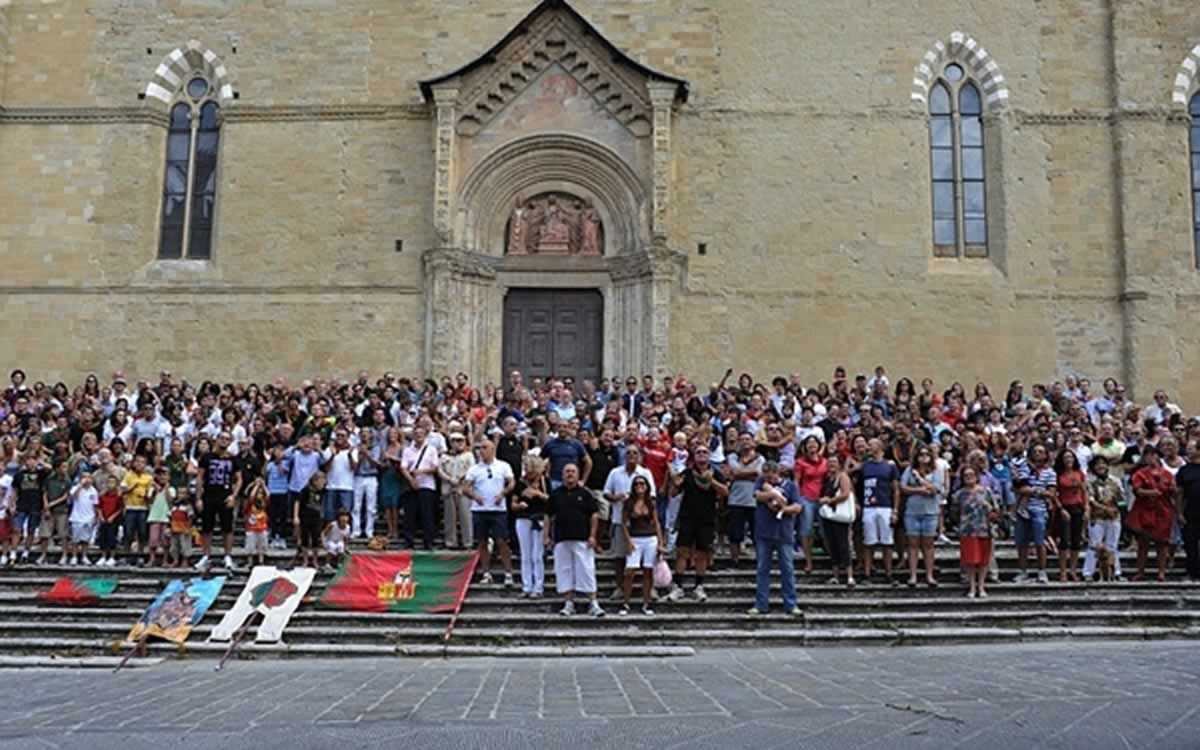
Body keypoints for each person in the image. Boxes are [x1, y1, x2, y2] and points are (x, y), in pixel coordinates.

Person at [666, 445, 728, 602]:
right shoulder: (687, 473)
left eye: (704, 452)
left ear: (709, 456)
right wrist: (674, 482)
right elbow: (673, 493)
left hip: (706, 518)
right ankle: (678, 586)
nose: (701, 455)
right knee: (682, 551)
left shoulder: (716, 473)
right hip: (687, 517)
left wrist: (710, 481)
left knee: (702, 553)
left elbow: (725, 492)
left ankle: (698, 586)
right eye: (698, 452)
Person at [544, 463, 604, 617]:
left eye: (573, 471)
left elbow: (594, 515)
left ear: (578, 475)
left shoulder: (585, 494)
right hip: (561, 539)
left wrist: (592, 535)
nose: (570, 474)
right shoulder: (556, 494)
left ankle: (593, 603)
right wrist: (546, 536)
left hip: (582, 539)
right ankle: (569, 603)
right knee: (564, 571)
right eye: (567, 472)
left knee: (586, 570)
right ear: (562, 475)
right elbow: (548, 516)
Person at [601, 443, 656, 597]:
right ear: (624, 456)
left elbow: (652, 496)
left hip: (643, 523)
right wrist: (616, 497)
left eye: (634, 453)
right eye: (628, 453)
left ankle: (649, 588)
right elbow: (606, 493)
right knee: (620, 556)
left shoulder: (645, 473)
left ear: (639, 456)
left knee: (647, 560)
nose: (631, 456)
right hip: (620, 520)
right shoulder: (615, 473)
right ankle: (620, 587)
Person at [748, 461, 802, 615]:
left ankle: (791, 604)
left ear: (777, 472)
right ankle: (761, 604)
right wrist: (772, 494)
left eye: (770, 473)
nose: (768, 476)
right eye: (765, 473)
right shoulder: (760, 483)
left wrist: (784, 509)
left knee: (787, 569)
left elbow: (797, 506)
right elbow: (758, 496)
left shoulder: (790, 486)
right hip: (763, 533)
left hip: (784, 533)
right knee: (762, 569)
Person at [463, 438, 515, 587]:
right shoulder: (474, 469)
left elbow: (511, 482)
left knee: (502, 541)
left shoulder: (503, 466)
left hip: (498, 510)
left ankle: (508, 573)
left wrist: (503, 493)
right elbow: (465, 488)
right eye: (480, 448)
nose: (481, 451)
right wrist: (474, 496)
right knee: (482, 542)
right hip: (479, 510)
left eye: (485, 447)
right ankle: (486, 573)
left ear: (493, 450)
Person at [195, 432, 243, 572]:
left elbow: (239, 479)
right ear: (216, 440)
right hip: (209, 495)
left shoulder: (234, 459)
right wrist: (198, 498)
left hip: (225, 495)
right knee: (206, 527)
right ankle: (206, 555)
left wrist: (234, 496)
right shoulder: (207, 457)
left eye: (227, 439)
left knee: (227, 527)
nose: (224, 441)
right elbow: (200, 478)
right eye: (222, 438)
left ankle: (227, 556)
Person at [1128, 445, 1176, 582]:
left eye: (1153, 455)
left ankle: (1161, 572)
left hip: (1163, 510)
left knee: (1162, 543)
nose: (1150, 458)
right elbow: (1137, 490)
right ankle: (1140, 571)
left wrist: (1172, 489)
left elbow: (1173, 490)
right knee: (1143, 542)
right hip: (1144, 510)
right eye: (1147, 455)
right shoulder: (1140, 473)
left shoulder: (1167, 474)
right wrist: (1150, 492)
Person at [618, 475, 664, 616]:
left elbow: (656, 523)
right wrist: (628, 541)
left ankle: (646, 602)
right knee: (629, 572)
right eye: (637, 483)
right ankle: (626, 602)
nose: (640, 486)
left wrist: (661, 543)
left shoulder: (651, 502)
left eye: (642, 483)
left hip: (650, 539)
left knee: (648, 572)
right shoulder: (628, 502)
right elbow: (623, 523)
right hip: (635, 538)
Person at [900, 446, 943, 588]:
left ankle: (929, 575)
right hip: (912, 511)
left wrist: (919, 478)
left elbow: (935, 489)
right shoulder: (909, 470)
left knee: (928, 544)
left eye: (926, 454)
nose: (923, 456)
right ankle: (913, 575)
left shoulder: (936, 471)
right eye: (921, 454)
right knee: (912, 544)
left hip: (930, 511)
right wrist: (919, 490)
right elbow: (903, 487)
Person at [1014, 443, 1056, 584]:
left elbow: (1051, 493)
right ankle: (1022, 571)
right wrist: (1038, 491)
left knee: (1040, 542)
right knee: (1022, 543)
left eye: (1041, 451)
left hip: (1039, 510)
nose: (1038, 454)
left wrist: (1032, 490)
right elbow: (1019, 488)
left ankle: (1042, 571)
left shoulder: (1050, 473)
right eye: (1035, 451)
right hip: (1023, 509)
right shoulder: (1024, 469)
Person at [859, 438, 900, 583]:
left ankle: (888, 574)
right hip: (868, 506)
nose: (868, 447)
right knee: (869, 542)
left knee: (887, 542)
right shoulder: (864, 466)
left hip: (885, 506)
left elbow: (896, 489)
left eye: (871, 444)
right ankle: (867, 574)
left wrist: (895, 510)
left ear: (880, 446)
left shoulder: (890, 466)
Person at [956, 466, 998, 598]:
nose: (969, 477)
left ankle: (981, 586)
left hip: (984, 529)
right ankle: (972, 587)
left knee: (984, 560)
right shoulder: (959, 494)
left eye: (972, 474)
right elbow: (954, 512)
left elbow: (996, 510)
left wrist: (990, 511)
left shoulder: (986, 491)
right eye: (966, 475)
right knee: (970, 560)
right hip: (967, 530)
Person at [511, 456, 549, 598]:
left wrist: (538, 494)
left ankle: (538, 587)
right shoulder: (520, 483)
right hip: (523, 518)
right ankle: (527, 585)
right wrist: (519, 505)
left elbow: (551, 500)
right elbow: (513, 505)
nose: (526, 469)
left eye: (528, 466)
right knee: (525, 554)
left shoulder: (545, 482)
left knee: (537, 555)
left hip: (539, 519)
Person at [724, 433, 764, 567]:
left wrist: (739, 474)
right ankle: (734, 560)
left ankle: (761, 560)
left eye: (748, 439)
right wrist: (750, 473)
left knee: (757, 533)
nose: (745, 442)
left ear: (753, 442)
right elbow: (733, 472)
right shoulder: (732, 457)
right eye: (742, 439)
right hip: (736, 500)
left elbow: (759, 475)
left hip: (754, 500)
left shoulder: (760, 458)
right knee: (734, 533)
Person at [1083, 456, 1124, 582]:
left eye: (1103, 464)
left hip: (1113, 517)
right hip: (1097, 516)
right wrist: (1105, 509)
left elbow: (1122, 498)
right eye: (1097, 464)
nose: (1101, 466)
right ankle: (1088, 572)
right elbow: (1090, 499)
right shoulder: (1089, 481)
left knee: (1112, 545)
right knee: (1094, 545)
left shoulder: (1115, 481)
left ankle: (1115, 572)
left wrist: (1118, 509)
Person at [818, 454, 856, 587]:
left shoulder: (843, 477)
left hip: (840, 515)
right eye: (829, 462)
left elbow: (845, 494)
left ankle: (850, 576)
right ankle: (835, 575)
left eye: (834, 462)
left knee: (843, 544)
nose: (831, 464)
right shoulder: (828, 478)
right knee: (832, 544)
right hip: (830, 516)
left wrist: (830, 501)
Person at [793, 436, 828, 575]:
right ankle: (808, 561)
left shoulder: (825, 461)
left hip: (822, 497)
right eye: (809, 443)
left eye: (814, 443)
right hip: (806, 497)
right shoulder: (800, 462)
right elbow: (796, 481)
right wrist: (796, 499)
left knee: (825, 527)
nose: (812, 445)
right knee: (806, 529)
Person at [400, 426, 439, 550]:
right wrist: (411, 480)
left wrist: (421, 471)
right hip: (411, 485)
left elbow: (435, 468)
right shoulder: (407, 450)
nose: (418, 436)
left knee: (427, 515)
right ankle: (409, 541)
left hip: (427, 485)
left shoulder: (431, 450)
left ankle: (428, 541)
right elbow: (403, 467)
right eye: (416, 434)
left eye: (421, 434)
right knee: (410, 515)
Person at [1054, 449, 1088, 582]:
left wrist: (1086, 508)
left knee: (1076, 540)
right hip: (1064, 507)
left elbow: (1084, 491)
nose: (1069, 460)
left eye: (1071, 457)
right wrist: (1061, 509)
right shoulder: (1058, 474)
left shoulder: (1079, 473)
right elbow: (1054, 494)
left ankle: (1072, 570)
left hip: (1078, 507)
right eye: (1066, 457)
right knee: (1064, 540)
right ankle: (1062, 571)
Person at [438, 432, 475, 550]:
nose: (457, 443)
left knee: (465, 515)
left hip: (463, 488)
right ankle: (450, 542)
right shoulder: (444, 456)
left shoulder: (468, 455)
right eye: (454, 440)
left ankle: (468, 542)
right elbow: (440, 470)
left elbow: (471, 469)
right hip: (448, 488)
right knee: (449, 516)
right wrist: (449, 479)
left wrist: (459, 479)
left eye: (460, 440)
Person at [11, 452, 48, 564]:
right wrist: (12, 504)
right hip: (22, 504)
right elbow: (14, 491)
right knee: (17, 529)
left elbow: (44, 490)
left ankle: (26, 552)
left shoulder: (41, 474)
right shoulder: (19, 475)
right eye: (28, 460)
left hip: (36, 505)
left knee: (31, 531)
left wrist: (41, 462)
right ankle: (13, 552)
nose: (31, 462)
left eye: (33, 460)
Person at [119, 453, 153, 565]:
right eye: (137, 461)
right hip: (130, 507)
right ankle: (126, 556)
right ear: (133, 463)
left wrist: (147, 496)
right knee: (128, 532)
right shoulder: (128, 475)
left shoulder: (148, 478)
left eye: (142, 462)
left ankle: (140, 556)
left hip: (143, 507)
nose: (139, 464)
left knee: (142, 533)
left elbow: (151, 493)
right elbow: (122, 490)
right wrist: (132, 488)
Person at [39, 459, 72, 565]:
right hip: (48, 510)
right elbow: (45, 492)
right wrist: (46, 506)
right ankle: (43, 555)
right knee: (45, 534)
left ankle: (64, 555)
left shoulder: (67, 480)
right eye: (63, 467)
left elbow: (66, 496)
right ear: (57, 468)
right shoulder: (49, 479)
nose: (65, 469)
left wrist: (52, 504)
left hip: (61, 510)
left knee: (63, 534)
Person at [1176, 440, 1200, 582]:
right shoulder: (1184, 470)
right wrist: (1179, 512)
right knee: (1190, 544)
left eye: (1192, 448)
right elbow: (1179, 493)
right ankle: (1192, 572)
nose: (1189, 451)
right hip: (1190, 513)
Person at [351, 429, 381, 539]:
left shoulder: (376, 446)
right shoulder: (355, 447)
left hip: (371, 477)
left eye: (366, 433)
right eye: (362, 433)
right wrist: (360, 456)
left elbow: (376, 464)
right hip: (358, 477)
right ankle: (356, 530)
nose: (364, 435)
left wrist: (367, 454)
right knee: (356, 506)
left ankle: (369, 530)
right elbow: (354, 467)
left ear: (370, 435)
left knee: (371, 506)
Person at [294, 471, 327, 569]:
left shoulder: (322, 491)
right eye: (321, 481)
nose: (323, 483)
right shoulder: (305, 490)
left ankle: (315, 560)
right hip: (305, 517)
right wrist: (296, 516)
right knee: (305, 539)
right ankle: (305, 560)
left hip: (316, 518)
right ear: (315, 481)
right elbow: (297, 502)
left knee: (315, 539)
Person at [66, 473, 99, 566]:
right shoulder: (75, 488)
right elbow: (73, 497)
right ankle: (74, 557)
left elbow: (95, 505)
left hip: (89, 517)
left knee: (86, 539)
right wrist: (80, 485)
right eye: (85, 477)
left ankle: (84, 556)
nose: (87, 479)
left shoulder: (94, 491)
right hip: (77, 517)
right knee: (75, 539)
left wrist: (96, 517)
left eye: (89, 477)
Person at [145, 467, 175, 568]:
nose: (162, 477)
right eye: (160, 475)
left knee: (165, 540)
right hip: (154, 516)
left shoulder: (171, 489)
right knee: (153, 539)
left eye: (165, 475)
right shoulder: (152, 489)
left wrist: (165, 489)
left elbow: (171, 502)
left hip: (166, 516)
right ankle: (152, 558)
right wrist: (155, 490)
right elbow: (149, 501)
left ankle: (165, 560)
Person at [264, 443, 292, 549]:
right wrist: (267, 459)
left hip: (283, 492)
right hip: (272, 492)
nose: (278, 453)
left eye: (281, 451)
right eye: (277, 451)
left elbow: (282, 472)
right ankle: (273, 536)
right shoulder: (270, 464)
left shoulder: (286, 463)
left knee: (282, 516)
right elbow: (264, 473)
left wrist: (279, 461)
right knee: (272, 516)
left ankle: (282, 537)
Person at [96, 475, 122, 567]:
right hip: (103, 519)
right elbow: (99, 507)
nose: (111, 484)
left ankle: (112, 557)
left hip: (113, 520)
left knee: (112, 538)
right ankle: (103, 557)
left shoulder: (118, 496)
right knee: (103, 537)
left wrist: (113, 517)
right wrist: (100, 516)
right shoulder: (103, 495)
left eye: (113, 482)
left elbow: (120, 508)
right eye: (109, 482)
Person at [243, 477, 270, 567]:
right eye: (258, 493)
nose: (259, 494)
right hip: (251, 527)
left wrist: (263, 485)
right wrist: (256, 485)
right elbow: (251, 496)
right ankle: (250, 561)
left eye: (261, 493)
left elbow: (268, 495)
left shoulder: (264, 502)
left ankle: (261, 561)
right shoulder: (250, 503)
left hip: (262, 526)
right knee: (250, 545)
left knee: (262, 545)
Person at [167, 489, 194, 568]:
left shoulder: (188, 506)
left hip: (184, 528)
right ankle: (175, 560)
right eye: (180, 493)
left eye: (183, 493)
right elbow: (169, 516)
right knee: (174, 546)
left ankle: (185, 561)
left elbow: (190, 517)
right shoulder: (174, 506)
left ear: (187, 495)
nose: (181, 495)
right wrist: (169, 526)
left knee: (185, 545)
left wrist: (188, 527)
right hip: (174, 529)